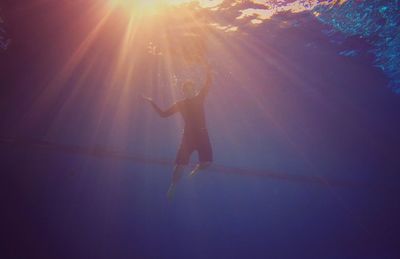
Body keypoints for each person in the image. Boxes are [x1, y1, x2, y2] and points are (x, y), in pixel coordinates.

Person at [143, 62, 213, 201]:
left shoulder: (199, 97)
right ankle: (173, 186)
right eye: (186, 90)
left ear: (194, 90)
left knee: (207, 163)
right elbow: (163, 114)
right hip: (188, 137)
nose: (189, 91)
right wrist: (151, 102)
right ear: (183, 91)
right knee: (180, 165)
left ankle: (197, 168)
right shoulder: (180, 104)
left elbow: (208, 83)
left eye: (191, 89)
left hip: (202, 135)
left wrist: (208, 69)